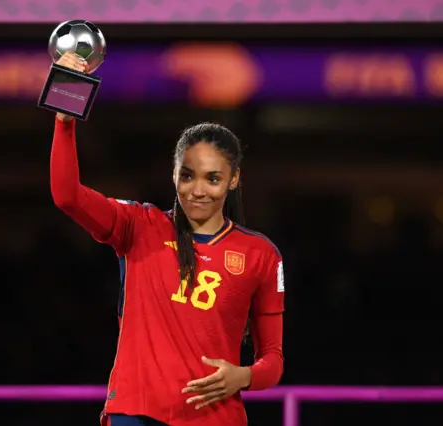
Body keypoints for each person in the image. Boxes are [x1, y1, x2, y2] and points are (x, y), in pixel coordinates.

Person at [50, 52, 285, 426]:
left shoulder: (261, 255)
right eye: (187, 175)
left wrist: (243, 376)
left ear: (234, 180)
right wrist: (65, 111)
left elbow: (272, 360)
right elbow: (66, 195)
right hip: (136, 411)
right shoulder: (138, 226)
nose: (197, 190)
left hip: (214, 419)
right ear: (173, 173)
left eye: (213, 178)